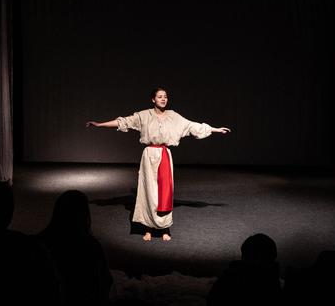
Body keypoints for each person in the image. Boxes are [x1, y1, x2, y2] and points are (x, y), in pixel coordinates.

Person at [86, 87, 230, 241]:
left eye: (165, 96)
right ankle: (148, 228)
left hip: (164, 156)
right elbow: (123, 122)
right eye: (160, 96)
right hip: (149, 156)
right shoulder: (144, 115)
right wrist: (100, 124)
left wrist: (215, 130)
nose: (163, 99)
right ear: (153, 99)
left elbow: (192, 126)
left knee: (164, 192)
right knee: (149, 192)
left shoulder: (173, 116)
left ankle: (164, 228)